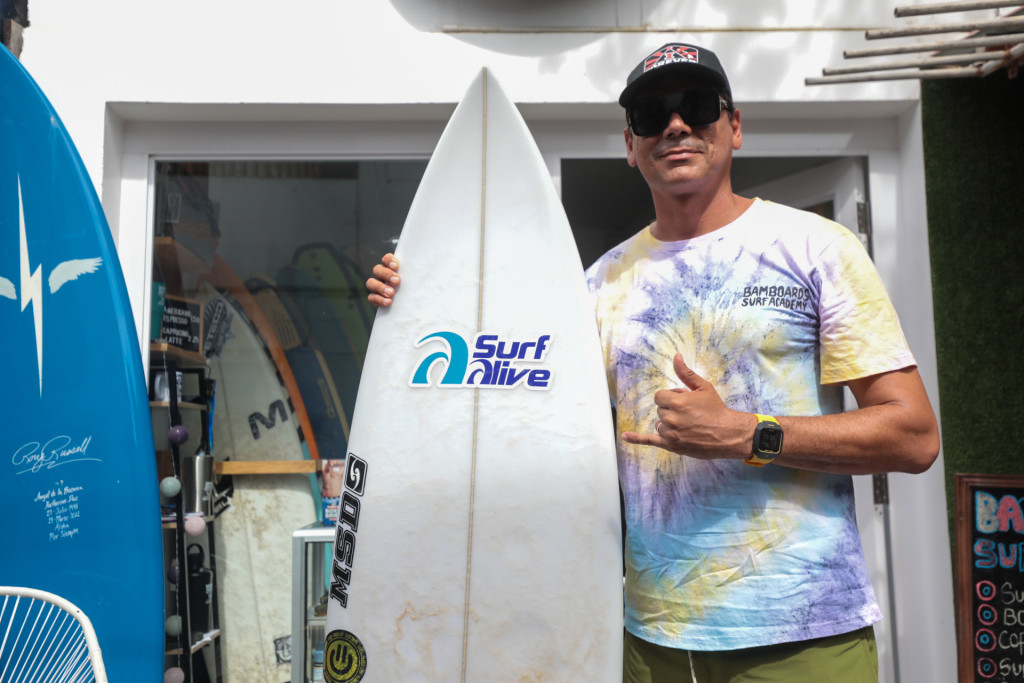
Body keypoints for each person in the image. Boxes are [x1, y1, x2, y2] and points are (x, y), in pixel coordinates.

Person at [366, 42, 940, 683]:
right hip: (648, 641)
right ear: (631, 144)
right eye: (650, 115)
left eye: (696, 107)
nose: (675, 125)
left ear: (735, 126)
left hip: (800, 635)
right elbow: (504, 385)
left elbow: (914, 435)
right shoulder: (597, 286)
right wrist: (419, 300)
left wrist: (748, 434)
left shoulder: (814, 247)